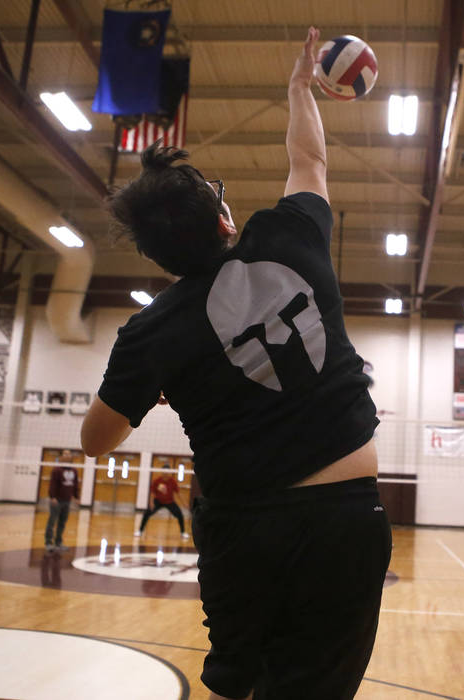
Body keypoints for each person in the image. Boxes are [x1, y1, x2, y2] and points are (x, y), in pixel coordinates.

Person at [81, 27, 390, 700]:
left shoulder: (150, 331)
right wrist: (297, 89)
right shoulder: (289, 237)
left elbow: (95, 441)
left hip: (243, 526)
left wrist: (160, 385)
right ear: (226, 221)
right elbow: (309, 159)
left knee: (233, 684)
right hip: (346, 518)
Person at [136, 468, 188, 539]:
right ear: (162, 472)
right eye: (164, 473)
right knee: (147, 513)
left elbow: (178, 493)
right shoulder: (157, 481)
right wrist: (151, 502)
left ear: (169, 473)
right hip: (158, 501)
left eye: (167, 473)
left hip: (169, 502)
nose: (165, 474)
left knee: (180, 515)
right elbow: (152, 493)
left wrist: (184, 503)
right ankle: (140, 531)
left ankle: (183, 533)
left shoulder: (173, 481)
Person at [45, 449, 80, 552]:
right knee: (52, 522)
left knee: (62, 522)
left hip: (67, 500)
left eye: (69, 454)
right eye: (65, 454)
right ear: (61, 456)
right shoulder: (57, 470)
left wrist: (76, 497)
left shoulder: (74, 470)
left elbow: (75, 485)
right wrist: (52, 497)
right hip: (57, 500)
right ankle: (48, 543)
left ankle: (58, 543)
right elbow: (52, 484)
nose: (67, 455)